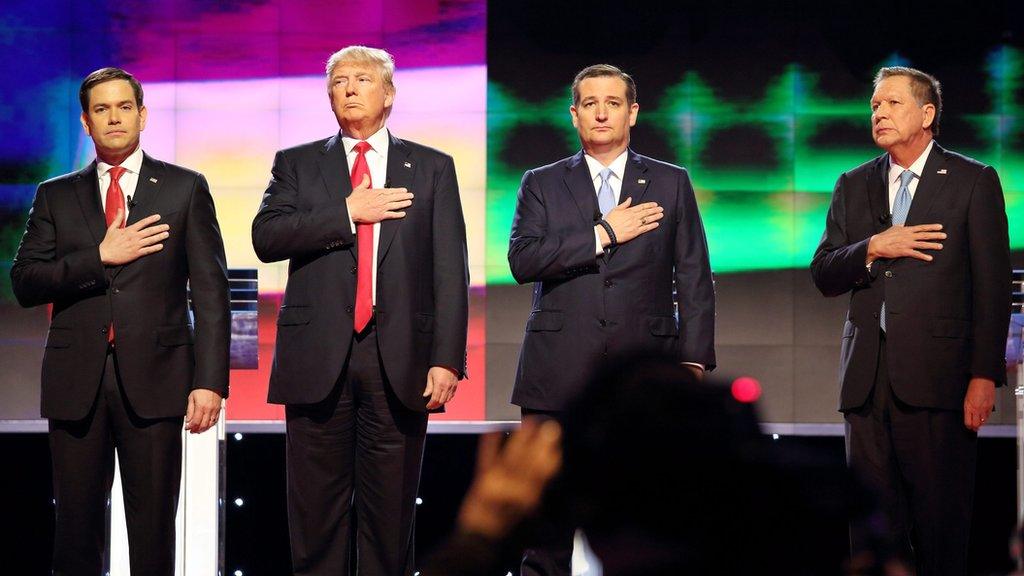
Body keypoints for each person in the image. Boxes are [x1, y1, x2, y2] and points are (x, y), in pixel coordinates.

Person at [252, 45, 469, 576]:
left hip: (401, 359)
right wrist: (345, 212)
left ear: (388, 93)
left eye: (362, 79)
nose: (349, 88)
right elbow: (266, 236)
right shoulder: (298, 163)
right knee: (315, 517)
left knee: (389, 519)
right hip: (318, 356)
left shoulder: (433, 167)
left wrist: (447, 358)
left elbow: (449, 270)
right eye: (339, 82)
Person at [10, 67, 230, 576]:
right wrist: (99, 256)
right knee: (75, 534)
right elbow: (26, 282)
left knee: (153, 532)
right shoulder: (55, 194)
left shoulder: (185, 187)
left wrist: (209, 382)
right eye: (102, 109)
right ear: (86, 123)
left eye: (124, 107)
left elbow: (212, 292)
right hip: (76, 381)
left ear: (143, 115)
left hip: (157, 378)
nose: (114, 118)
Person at [506, 63, 716, 576]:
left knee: (644, 518)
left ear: (633, 113)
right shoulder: (542, 183)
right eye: (590, 103)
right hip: (556, 371)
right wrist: (604, 232)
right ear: (575, 115)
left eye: (614, 102)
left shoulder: (670, 182)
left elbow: (693, 275)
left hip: (644, 374)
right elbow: (523, 261)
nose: (602, 112)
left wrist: (692, 361)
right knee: (547, 520)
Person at [811, 66, 1012, 575]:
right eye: (875, 105)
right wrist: (873, 247)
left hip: (940, 380)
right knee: (874, 529)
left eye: (892, 104)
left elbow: (992, 288)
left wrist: (984, 376)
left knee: (941, 524)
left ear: (927, 114)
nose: (879, 113)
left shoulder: (973, 180)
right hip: (866, 381)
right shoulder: (853, 184)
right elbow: (825, 272)